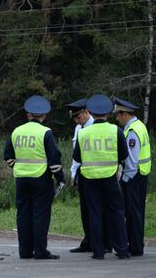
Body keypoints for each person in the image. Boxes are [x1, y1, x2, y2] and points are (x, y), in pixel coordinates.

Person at [3, 95, 64, 260]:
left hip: (21, 178)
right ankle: (40, 251)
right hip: (41, 178)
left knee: (23, 215)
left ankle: (25, 251)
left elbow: (7, 155)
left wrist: (17, 166)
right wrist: (60, 178)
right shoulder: (46, 133)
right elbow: (54, 159)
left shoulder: (17, 131)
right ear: (43, 116)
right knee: (40, 215)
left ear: (28, 115)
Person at [73, 94, 130, 259]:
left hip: (90, 179)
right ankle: (122, 249)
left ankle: (98, 251)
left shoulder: (84, 133)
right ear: (108, 113)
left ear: (90, 111)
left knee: (95, 214)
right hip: (110, 177)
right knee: (117, 213)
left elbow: (77, 157)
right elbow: (124, 154)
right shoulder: (115, 130)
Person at [66, 99, 107, 253]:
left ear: (86, 112)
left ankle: (103, 242)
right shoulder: (79, 128)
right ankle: (88, 240)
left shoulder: (96, 127)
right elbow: (76, 153)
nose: (77, 120)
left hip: (98, 174)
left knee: (98, 209)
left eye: (78, 117)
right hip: (83, 173)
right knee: (85, 209)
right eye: (75, 118)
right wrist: (73, 174)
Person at [113, 97, 151, 257]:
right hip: (141, 174)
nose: (116, 118)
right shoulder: (139, 125)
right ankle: (136, 244)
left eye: (117, 115)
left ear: (124, 114)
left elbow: (132, 160)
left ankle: (135, 247)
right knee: (137, 211)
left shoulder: (132, 131)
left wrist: (125, 180)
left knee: (133, 212)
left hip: (134, 177)